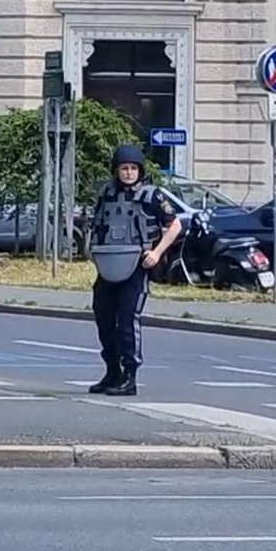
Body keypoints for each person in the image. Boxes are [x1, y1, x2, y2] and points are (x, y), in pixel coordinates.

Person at [85, 144, 182, 396]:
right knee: (103, 316)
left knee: (128, 320)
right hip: (108, 265)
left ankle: (130, 376)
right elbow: (95, 225)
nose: (128, 173)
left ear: (140, 170)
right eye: (124, 168)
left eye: (133, 168)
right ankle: (112, 370)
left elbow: (175, 225)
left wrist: (157, 252)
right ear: (116, 170)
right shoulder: (106, 193)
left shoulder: (152, 196)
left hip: (136, 266)